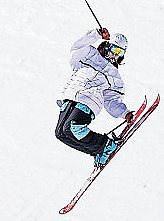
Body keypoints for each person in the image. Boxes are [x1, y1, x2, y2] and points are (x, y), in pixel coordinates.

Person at [55, 28, 135, 168]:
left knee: (74, 128)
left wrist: (124, 113)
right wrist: (96, 35)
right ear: (107, 46)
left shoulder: (115, 76)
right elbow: (76, 49)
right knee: (61, 133)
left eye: (120, 53)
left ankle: (106, 145)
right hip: (70, 97)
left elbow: (112, 101)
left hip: (89, 101)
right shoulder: (89, 53)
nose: (115, 56)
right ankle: (99, 151)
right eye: (115, 50)